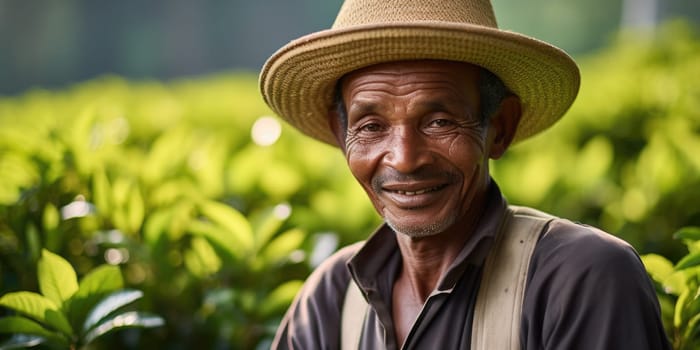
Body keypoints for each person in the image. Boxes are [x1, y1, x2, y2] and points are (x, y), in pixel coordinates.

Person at [259, 0, 671, 349]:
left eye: (439, 121)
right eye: (371, 126)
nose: (404, 159)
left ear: (501, 128)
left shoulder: (581, 280)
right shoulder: (330, 301)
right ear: (341, 133)